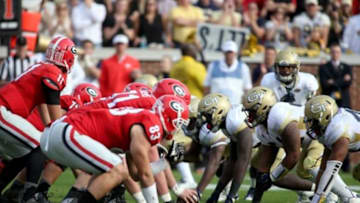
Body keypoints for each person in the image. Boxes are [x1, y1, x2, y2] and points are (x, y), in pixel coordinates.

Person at [40, 95, 190, 203]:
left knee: (117, 170)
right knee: (116, 169)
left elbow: (135, 174)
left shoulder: (142, 119)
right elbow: (144, 175)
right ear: (170, 118)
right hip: (67, 131)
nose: (177, 129)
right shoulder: (152, 122)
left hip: (59, 133)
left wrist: (163, 163)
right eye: (179, 123)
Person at [242, 87, 358, 203]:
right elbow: (265, 166)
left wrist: (271, 178)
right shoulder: (262, 128)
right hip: (312, 139)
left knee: (311, 164)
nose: (250, 117)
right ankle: (336, 195)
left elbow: (293, 156)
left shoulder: (336, 129)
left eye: (252, 111)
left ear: (264, 107)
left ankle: (349, 197)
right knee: (301, 171)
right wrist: (259, 192)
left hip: (315, 139)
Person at [0, 36, 76, 202]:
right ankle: (30, 197)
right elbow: (52, 101)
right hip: (3, 111)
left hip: (5, 111)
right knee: (38, 145)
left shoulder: (43, 67)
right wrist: (57, 129)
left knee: (23, 154)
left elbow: (41, 100)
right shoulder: (53, 72)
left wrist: (49, 125)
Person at [304, 95, 360, 203]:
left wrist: (317, 200)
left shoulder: (338, 129)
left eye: (313, 122)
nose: (310, 126)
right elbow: (323, 168)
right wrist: (316, 196)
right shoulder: (330, 127)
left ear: (326, 117)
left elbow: (331, 172)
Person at [204, 40, 252, 105]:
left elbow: (247, 89)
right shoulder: (213, 65)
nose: (229, 55)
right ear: (224, 53)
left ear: (235, 53)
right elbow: (206, 87)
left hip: (236, 107)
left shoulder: (243, 67)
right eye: (228, 52)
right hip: (216, 106)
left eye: (231, 52)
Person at [319, 43, 352, 108]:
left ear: (340, 53)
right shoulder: (324, 67)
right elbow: (324, 84)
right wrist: (342, 79)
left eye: (337, 52)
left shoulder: (346, 67)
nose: (335, 54)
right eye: (333, 52)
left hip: (344, 101)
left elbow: (348, 83)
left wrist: (332, 82)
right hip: (328, 101)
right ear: (330, 53)